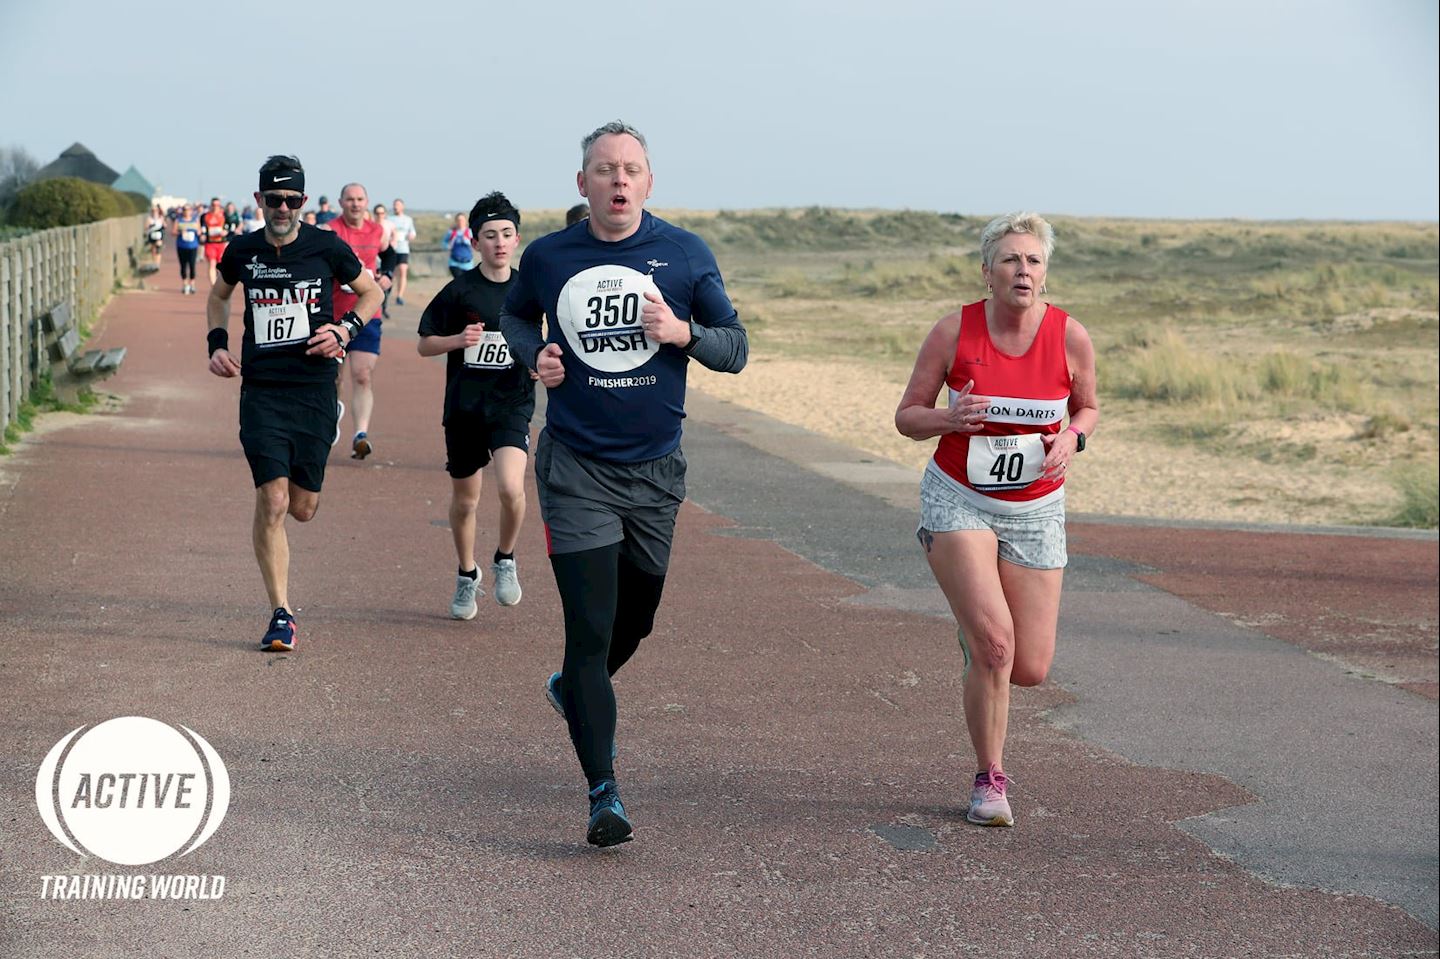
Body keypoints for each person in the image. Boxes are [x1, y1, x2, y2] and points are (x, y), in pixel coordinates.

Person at [500, 120, 748, 848]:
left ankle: (572, 689)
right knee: (590, 630)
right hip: (575, 467)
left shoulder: (683, 254)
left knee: (633, 623)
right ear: (582, 184)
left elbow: (734, 348)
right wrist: (532, 355)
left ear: (648, 181)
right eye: (603, 169)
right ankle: (602, 791)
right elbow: (515, 318)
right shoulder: (549, 257)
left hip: (656, 472)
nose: (617, 180)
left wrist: (683, 334)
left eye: (630, 169)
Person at [894, 212, 1098, 828]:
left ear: (1045, 272)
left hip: (1037, 505)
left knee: (1030, 667)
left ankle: (979, 642)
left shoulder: (1070, 336)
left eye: (1034, 261)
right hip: (958, 497)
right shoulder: (954, 331)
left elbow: (1088, 407)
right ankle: (990, 780)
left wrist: (1073, 438)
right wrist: (950, 420)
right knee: (996, 646)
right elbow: (907, 416)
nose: (1023, 270)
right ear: (988, 272)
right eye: (1011, 260)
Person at [206, 155, 381, 651]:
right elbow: (218, 297)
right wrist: (216, 343)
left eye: (291, 200)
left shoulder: (327, 247)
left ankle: (334, 423)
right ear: (258, 200)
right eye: (272, 199)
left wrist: (345, 331)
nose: (281, 208)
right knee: (274, 500)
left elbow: (369, 294)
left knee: (303, 508)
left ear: (303, 202)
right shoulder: (242, 250)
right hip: (262, 391)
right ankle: (280, 613)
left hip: (314, 391)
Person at [417, 192, 534, 620]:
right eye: (490, 235)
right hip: (465, 408)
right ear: (476, 240)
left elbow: (550, 338)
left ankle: (506, 557)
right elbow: (424, 344)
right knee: (466, 501)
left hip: (511, 403)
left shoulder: (529, 289)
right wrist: (458, 340)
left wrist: (541, 360)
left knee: (511, 488)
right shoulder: (459, 290)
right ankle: (467, 574)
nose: (499, 242)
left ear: (516, 238)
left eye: (506, 234)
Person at [326, 182, 391, 459]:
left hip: (367, 314)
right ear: (341, 202)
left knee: (362, 375)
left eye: (360, 199)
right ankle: (330, 417)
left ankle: (360, 435)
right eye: (350, 199)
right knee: (333, 378)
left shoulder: (378, 231)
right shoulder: (330, 231)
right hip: (334, 315)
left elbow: (390, 255)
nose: (355, 204)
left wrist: (386, 275)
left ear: (367, 202)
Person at [389, 198, 417, 305]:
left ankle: (400, 295)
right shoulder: (389, 219)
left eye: (398, 205)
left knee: (403, 269)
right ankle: (388, 292)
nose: (396, 206)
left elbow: (413, 232)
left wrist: (411, 236)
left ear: (402, 207)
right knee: (393, 273)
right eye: (394, 204)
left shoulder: (408, 220)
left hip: (403, 248)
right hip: (392, 249)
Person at [373, 202, 397, 318]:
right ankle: (375, 306)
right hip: (374, 259)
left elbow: (395, 237)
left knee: (387, 283)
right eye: (377, 213)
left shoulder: (390, 225)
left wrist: (392, 245)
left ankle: (384, 307)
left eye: (382, 213)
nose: (379, 215)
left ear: (385, 214)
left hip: (386, 256)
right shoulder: (371, 226)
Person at [172, 203, 201, 294]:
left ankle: (192, 284)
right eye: (185, 210)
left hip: (193, 246)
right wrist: (180, 232)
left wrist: (197, 232)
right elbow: (173, 232)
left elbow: (199, 232)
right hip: (181, 246)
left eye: (188, 210)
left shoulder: (195, 220)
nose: (187, 211)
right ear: (183, 211)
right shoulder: (179, 220)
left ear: (191, 211)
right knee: (183, 266)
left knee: (192, 265)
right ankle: (185, 285)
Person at [200, 197, 228, 287]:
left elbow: (229, 227)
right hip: (210, 243)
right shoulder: (205, 216)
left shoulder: (224, 215)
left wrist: (226, 232)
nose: (215, 207)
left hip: (221, 243)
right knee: (212, 263)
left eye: (217, 205)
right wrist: (203, 234)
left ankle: (219, 283)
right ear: (210, 205)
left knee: (220, 265)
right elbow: (202, 228)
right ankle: (213, 286)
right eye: (213, 205)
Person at [443, 213, 474, 279]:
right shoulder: (451, 232)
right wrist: (448, 246)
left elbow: (475, 243)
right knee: (459, 281)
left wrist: (467, 241)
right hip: (454, 262)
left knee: (468, 284)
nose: (460, 222)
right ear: (456, 221)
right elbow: (443, 242)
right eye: (458, 220)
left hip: (467, 263)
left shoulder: (469, 232)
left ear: (465, 221)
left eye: (462, 220)